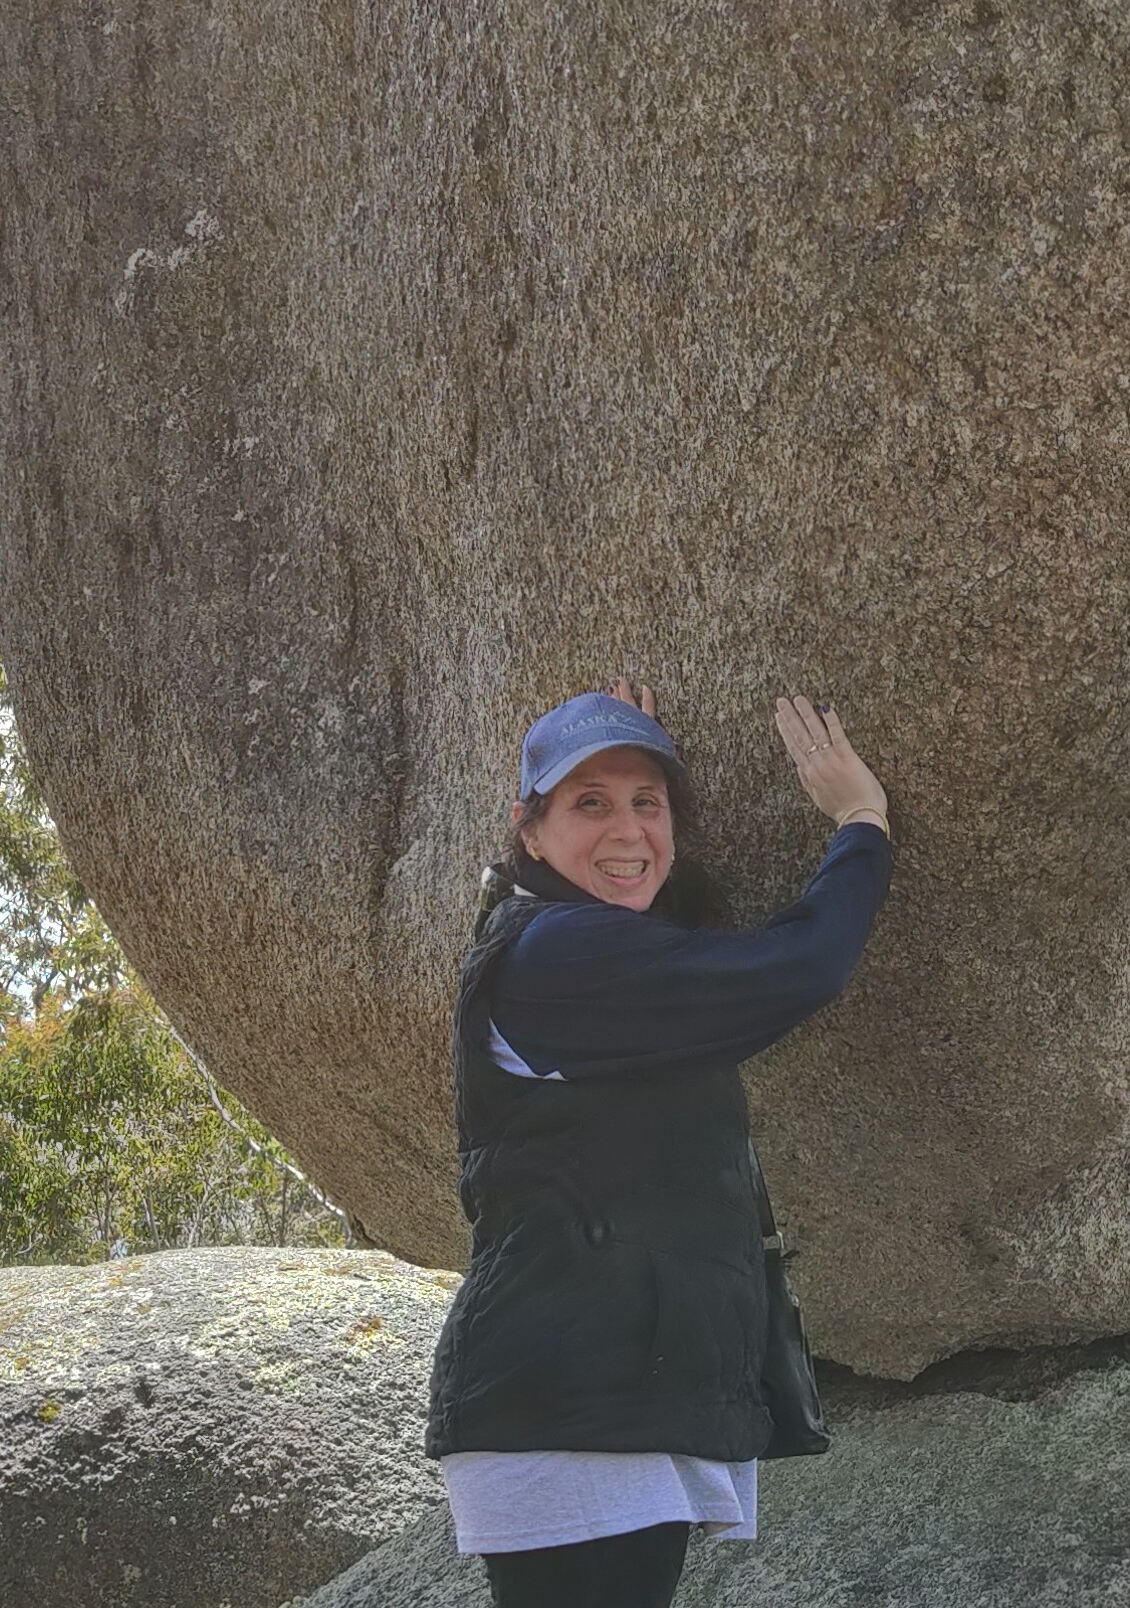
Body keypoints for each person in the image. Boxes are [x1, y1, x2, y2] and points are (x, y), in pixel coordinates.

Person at [425, 680, 892, 1608]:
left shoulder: (579, 950)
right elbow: (792, 967)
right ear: (528, 829)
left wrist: (613, 756)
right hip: (569, 1411)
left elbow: (670, 965)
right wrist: (863, 821)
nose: (629, 830)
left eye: (650, 802)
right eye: (588, 803)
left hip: (605, 1393)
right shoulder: (554, 959)